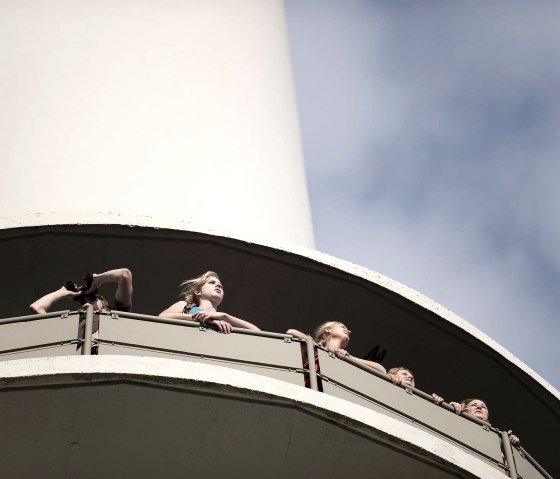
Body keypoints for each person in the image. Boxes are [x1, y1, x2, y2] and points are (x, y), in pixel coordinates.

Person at [29, 267, 133, 351]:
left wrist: (98, 279)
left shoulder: (116, 315)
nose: (87, 302)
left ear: (103, 303)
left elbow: (124, 274)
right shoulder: (72, 327)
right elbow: (36, 308)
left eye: (92, 300)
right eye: (83, 300)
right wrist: (62, 292)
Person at [159, 271, 260, 333]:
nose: (218, 286)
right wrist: (199, 318)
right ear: (198, 291)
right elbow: (162, 317)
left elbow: (257, 332)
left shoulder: (225, 320)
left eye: (220, 285)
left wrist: (224, 316)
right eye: (212, 283)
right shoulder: (185, 306)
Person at [287, 321, 386, 374]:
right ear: (327, 330)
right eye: (343, 327)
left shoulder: (347, 358)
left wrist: (350, 358)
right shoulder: (314, 350)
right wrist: (316, 346)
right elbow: (291, 332)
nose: (348, 331)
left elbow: (381, 370)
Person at [449, 398, 520, 446]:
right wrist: (449, 410)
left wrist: (514, 444)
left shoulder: (498, 437)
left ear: (487, 415)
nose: (479, 407)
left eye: (483, 407)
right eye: (474, 405)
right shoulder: (456, 423)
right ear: (464, 409)